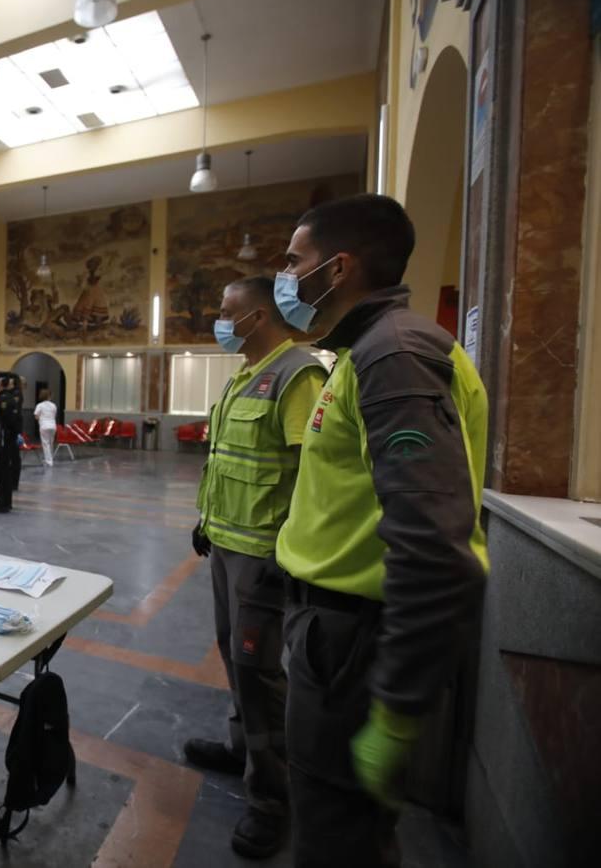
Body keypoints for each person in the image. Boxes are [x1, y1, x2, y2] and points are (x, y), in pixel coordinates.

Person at [272, 195, 488, 867]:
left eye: (293, 262)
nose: (285, 276)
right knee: (339, 832)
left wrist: (394, 710)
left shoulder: (394, 355)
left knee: (335, 845)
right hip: (336, 638)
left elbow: (432, 540)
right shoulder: (368, 351)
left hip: (353, 647)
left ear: (337, 269)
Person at [182, 275, 327, 859]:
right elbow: (228, 461)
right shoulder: (245, 376)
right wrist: (205, 520)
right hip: (226, 544)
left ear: (259, 316)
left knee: (260, 673)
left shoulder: (299, 374)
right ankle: (242, 747)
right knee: (234, 656)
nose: (220, 320)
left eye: (227, 311)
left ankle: (272, 801)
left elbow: (309, 477)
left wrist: (281, 552)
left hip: (262, 556)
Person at [0, 373, 23, 514]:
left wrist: (4, 435)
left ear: (1, 383)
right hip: (7, 438)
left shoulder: (4, 400)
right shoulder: (8, 398)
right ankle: (5, 502)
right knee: (5, 471)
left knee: (3, 471)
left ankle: (2, 502)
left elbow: (8, 421)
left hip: (4, 439)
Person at [34, 389, 58, 467]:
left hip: (44, 426)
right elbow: (54, 415)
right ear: (49, 396)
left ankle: (49, 461)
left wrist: (41, 418)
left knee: (45, 444)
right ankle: (50, 459)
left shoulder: (39, 405)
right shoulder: (54, 405)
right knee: (51, 443)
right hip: (53, 426)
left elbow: (36, 416)